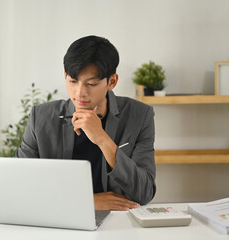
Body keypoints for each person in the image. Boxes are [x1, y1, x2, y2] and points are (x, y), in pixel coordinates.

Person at [16, 35, 156, 211]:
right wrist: (88, 201)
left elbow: (145, 192)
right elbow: (22, 187)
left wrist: (102, 139)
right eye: (73, 81)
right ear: (65, 75)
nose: (80, 93)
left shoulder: (140, 115)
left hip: (118, 221)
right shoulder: (41, 117)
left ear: (112, 81)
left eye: (91, 84)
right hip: (59, 217)